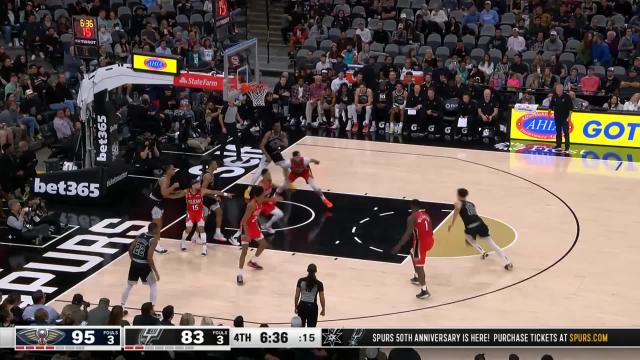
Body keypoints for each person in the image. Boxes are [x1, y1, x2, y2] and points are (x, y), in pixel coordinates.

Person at [448, 188, 513, 270]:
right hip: (480, 223)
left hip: (471, 226)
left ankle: (482, 251)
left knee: (469, 238)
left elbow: (456, 212)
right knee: (492, 243)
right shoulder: (471, 204)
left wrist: (452, 224)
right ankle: (508, 262)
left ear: (458, 195)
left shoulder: (457, 203)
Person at [391, 199, 434, 299]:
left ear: (413, 207)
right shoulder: (426, 215)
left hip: (420, 243)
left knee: (420, 266)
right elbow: (431, 228)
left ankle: (424, 290)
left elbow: (407, 234)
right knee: (412, 252)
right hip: (430, 240)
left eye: (411, 206)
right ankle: (416, 276)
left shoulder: (411, 218)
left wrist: (399, 245)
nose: (410, 208)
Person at [178, 178, 231, 255]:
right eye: (198, 184)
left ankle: (204, 248)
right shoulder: (186, 191)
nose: (200, 185)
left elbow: (214, 192)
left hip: (199, 213)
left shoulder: (202, 190)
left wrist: (226, 194)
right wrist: (167, 195)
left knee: (202, 229)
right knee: (188, 229)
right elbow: (177, 194)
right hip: (191, 213)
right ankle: (182, 242)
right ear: (193, 185)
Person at [121, 223, 161, 307]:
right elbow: (149, 258)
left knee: (129, 286)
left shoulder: (140, 235)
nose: (158, 230)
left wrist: (133, 260)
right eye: (157, 229)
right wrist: (156, 272)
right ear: (153, 230)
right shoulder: (153, 240)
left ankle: (122, 306)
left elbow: (130, 249)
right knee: (153, 285)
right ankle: (151, 309)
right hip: (143, 265)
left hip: (134, 263)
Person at [237, 186, 268, 286]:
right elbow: (244, 221)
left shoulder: (260, 201)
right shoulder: (251, 205)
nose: (264, 196)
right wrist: (246, 234)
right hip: (246, 226)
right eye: (263, 195)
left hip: (253, 225)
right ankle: (240, 275)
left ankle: (253, 261)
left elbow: (255, 216)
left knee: (263, 244)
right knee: (244, 251)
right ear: (256, 196)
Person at [247, 121, 289, 196]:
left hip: (276, 155)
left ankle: (281, 187)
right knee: (259, 171)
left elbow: (286, 144)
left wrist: (280, 143)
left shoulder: (282, 134)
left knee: (287, 168)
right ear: (273, 127)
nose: (278, 128)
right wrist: (267, 156)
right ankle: (248, 189)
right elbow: (261, 146)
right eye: (276, 126)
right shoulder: (269, 134)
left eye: (279, 126)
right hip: (267, 155)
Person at [148, 164, 183, 254]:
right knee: (157, 224)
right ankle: (155, 245)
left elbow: (164, 192)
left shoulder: (167, 178)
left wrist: (175, 192)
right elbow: (164, 193)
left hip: (158, 202)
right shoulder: (165, 180)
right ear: (167, 171)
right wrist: (174, 187)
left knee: (158, 223)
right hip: (154, 202)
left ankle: (153, 241)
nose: (174, 170)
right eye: (172, 169)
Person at [200, 159, 229, 243]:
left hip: (209, 198)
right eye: (216, 164)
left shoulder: (211, 174)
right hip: (204, 199)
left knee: (219, 212)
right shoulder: (208, 176)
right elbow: (203, 190)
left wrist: (214, 196)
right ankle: (195, 236)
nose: (217, 165)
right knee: (203, 219)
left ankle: (217, 233)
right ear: (211, 165)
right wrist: (215, 195)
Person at [257, 169, 285, 234]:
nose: (269, 175)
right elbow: (259, 199)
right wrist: (273, 199)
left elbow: (271, 186)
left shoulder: (269, 180)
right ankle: (267, 226)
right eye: (267, 174)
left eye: (269, 173)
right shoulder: (261, 186)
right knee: (279, 214)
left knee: (280, 213)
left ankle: (267, 225)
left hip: (266, 202)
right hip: (260, 204)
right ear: (263, 176)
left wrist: (280, 187)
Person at [548, 83, 573, 151]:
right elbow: (551, 106)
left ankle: (567, 146)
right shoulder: (554, 96)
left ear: (562, 89)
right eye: (556, 89)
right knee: (558, 131)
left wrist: (569, 117)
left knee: (566, 132)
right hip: (557, 117)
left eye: (558, 89)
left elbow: (571, 108)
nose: (557, 90)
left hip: (565, 118)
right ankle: (558, 145)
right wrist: (549, 114)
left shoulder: (567, 97)